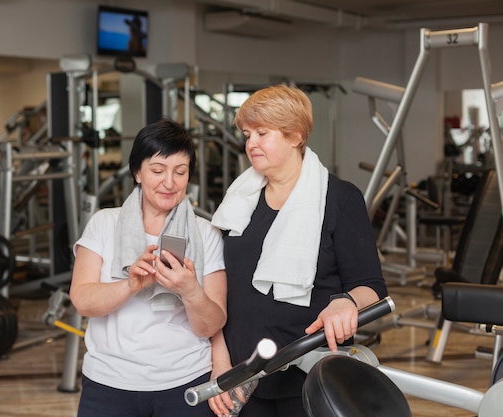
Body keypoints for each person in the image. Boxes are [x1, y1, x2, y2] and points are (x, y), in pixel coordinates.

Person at [208, 85, 388, 417]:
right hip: (243, 375)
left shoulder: (339, 198)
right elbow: (217, 289)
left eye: (262, 133)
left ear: (295, 136)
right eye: (248, 134)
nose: (251, 143)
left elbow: (370, 286)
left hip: (309, 376)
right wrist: (220, 361)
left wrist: (346, 302)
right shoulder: (238, 201)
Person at [70, 118, 227, 417]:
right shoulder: (105, 223)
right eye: (157, 170)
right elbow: (83, 301)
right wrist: (131, 284)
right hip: (108, 382)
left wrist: (190, 290)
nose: (169, 182)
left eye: (180, 172)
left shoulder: (205, 233)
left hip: (185, 380)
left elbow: (211, 325)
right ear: (137, 172)